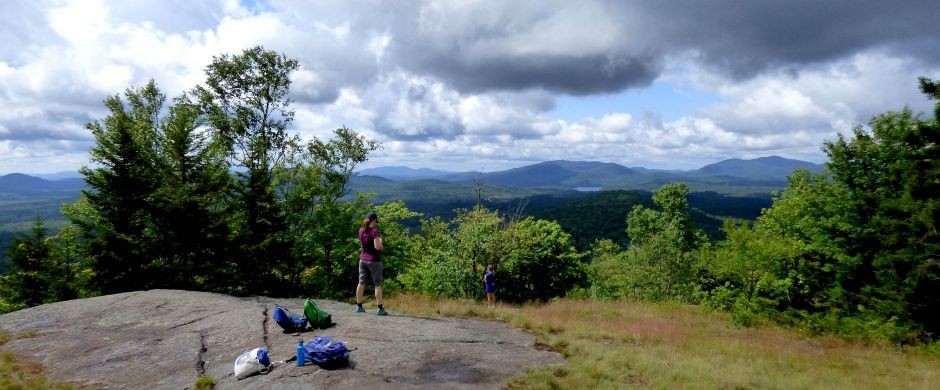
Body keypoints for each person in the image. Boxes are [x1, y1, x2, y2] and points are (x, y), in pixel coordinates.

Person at [356, 212, 386, 315]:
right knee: (377, 284)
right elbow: (377, 247)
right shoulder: (374, 231)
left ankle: (359, 306)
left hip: (362, 260)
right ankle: (380, 309)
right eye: (376, 221)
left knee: (361, 282)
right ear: (373, 220)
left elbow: (363, 245)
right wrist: (381, 242)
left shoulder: (361, 230)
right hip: (374, 261)